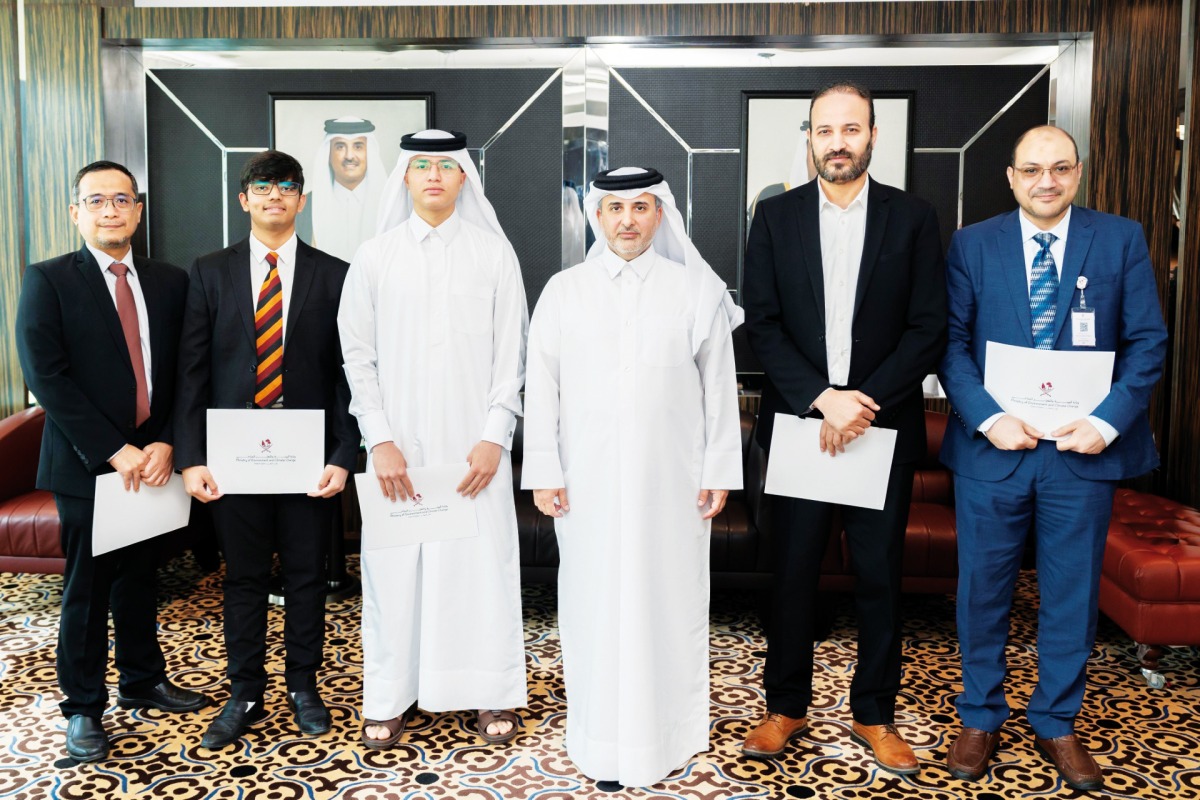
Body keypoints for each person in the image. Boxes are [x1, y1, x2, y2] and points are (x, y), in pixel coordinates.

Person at [938, 125, 1167, 791]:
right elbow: (951, 345)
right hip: (994, 452)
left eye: (1060, 169)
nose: (1047, 181)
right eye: (1032, 169)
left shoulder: (1120, 237)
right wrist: (987, 418)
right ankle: (979, 716)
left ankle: (1057, 721)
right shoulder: (972, 243)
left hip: (1081, 452)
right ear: (1010, 177)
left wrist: (1105, 422)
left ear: (1077, 173)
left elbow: (1148, 342)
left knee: (1071, 595)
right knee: (982, 592)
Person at [740, 81, 947, 773]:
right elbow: (762, 326)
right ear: (810, 139)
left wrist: (861, 402)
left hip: (880, 430)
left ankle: (875, 715)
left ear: (872, 136)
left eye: (850, 129)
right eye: (825, 130)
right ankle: (785, 707)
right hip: (801, 425)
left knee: (880, 580)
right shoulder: (775, 218)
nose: (838, 142)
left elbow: (927, 328)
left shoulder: (913, 218)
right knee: (792, 574)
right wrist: (823, 399)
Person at [522, 166, 743, 787]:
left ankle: (666, 737)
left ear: (659, 214)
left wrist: (719, 467)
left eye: (641, 207)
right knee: (592, 605)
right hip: (584, 485)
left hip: (672, 485)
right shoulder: (563, 291)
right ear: (597, 216)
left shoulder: (695, 291)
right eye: (615, 208)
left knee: (666, 604)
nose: (627, 220)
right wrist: (543, 466)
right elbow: (541, 388)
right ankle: (597, 735)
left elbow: (719, 391)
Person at [15, 160, 211, 762]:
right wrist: (114, 448)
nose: (110, 210)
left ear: (137, 210)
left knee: (141, 579)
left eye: (121, 199)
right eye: (96, 200)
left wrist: (167, 444)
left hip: (155, 461)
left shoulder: (171, 280)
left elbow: (186, 369)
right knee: (87, 590)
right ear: (76, 212)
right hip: (87, 466)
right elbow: (47, 377)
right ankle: (82, 708)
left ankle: (143, 680)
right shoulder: (48, 280)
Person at [338, 129, 529, 749]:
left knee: (480, 571)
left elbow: (513, 354)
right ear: (405, 178)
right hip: (399, 452)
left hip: (476, 452)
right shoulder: (375, 257)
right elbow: (357, 357)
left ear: (464, 177)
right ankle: (390, 697)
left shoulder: (495, 254)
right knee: (395, 571)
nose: (434, 177)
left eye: (446, 166)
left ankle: (489, 694)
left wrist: (495, 435)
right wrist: (379, 439)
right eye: (421, 166)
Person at [174, 150, 359, 749]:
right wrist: (191, 456)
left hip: (308, 456)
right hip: (234, 454)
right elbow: (192, 372)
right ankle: (244, 690)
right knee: (244, 578)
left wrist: (341, 454)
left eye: (286, 187)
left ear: (302, 201)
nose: (274, 195)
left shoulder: (336, 274)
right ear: (244, 199)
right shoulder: (209, 271)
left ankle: (304, 686)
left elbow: (346, 375)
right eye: (263, 186)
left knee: (308, 576)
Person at [301, 117, 387, 261]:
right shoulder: (304, 206)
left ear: (369, 153)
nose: (349, 156)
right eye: (340, 147)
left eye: (358, 146)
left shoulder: (388, 203)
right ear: (328, 154)